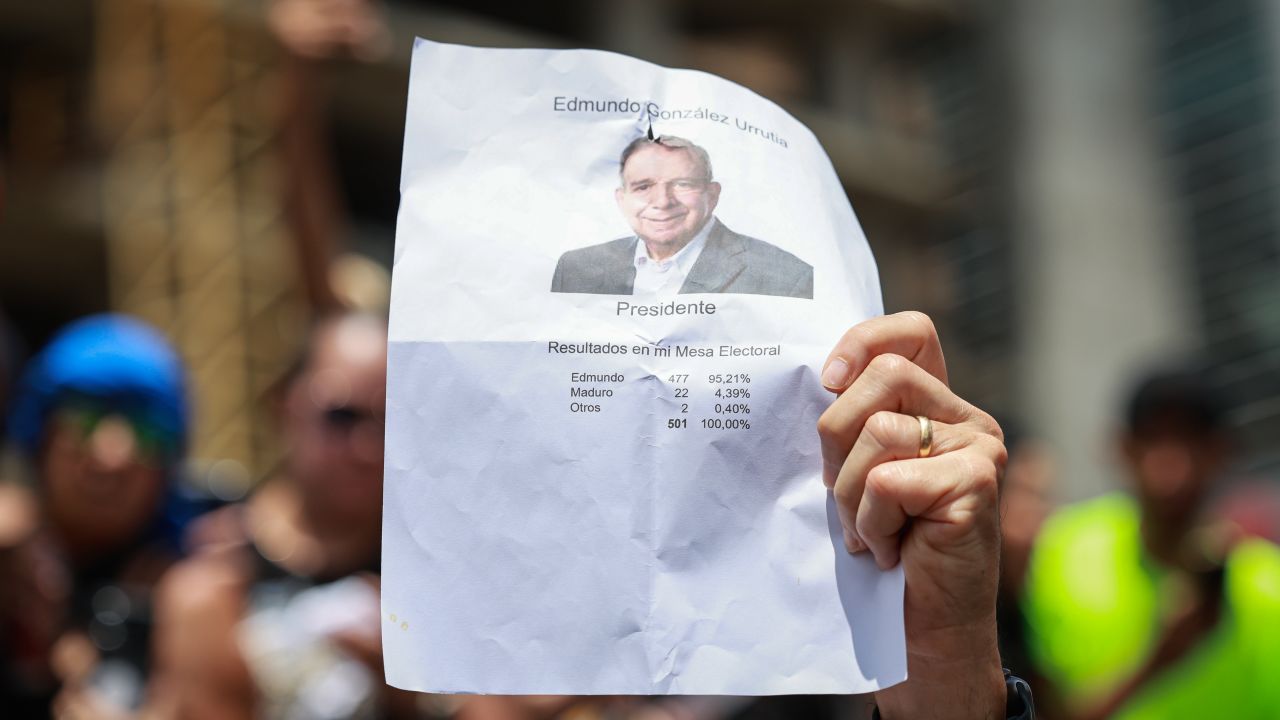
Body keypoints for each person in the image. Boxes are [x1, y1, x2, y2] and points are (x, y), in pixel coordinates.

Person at [146, 312, 410, 719]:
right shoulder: (207, 567)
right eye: (342, 416)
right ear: (285, 405)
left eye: (392, 422)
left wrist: (409, 699)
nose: (368, 447)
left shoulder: (433, 581)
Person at [1020, 367, 1280, 719]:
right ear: (1123, 447)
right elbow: (1040, 709)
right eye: (1153, 439)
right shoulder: (1062, 551)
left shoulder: (1270, 586)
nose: (1172, 466)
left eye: (1190, 440)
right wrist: (1159, 658)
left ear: (1221, 451)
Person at [1, 314, 194, 718]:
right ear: (41, 434)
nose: (112, 455)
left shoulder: (203, 575)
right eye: (85, 416)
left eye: (148, 428)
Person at [551, 135, 814, 299]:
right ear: (622, 199)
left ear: (712, 195)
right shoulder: (575, 270)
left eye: (683, 184)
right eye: (643, 187)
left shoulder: (786, 277)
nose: (663, 201)